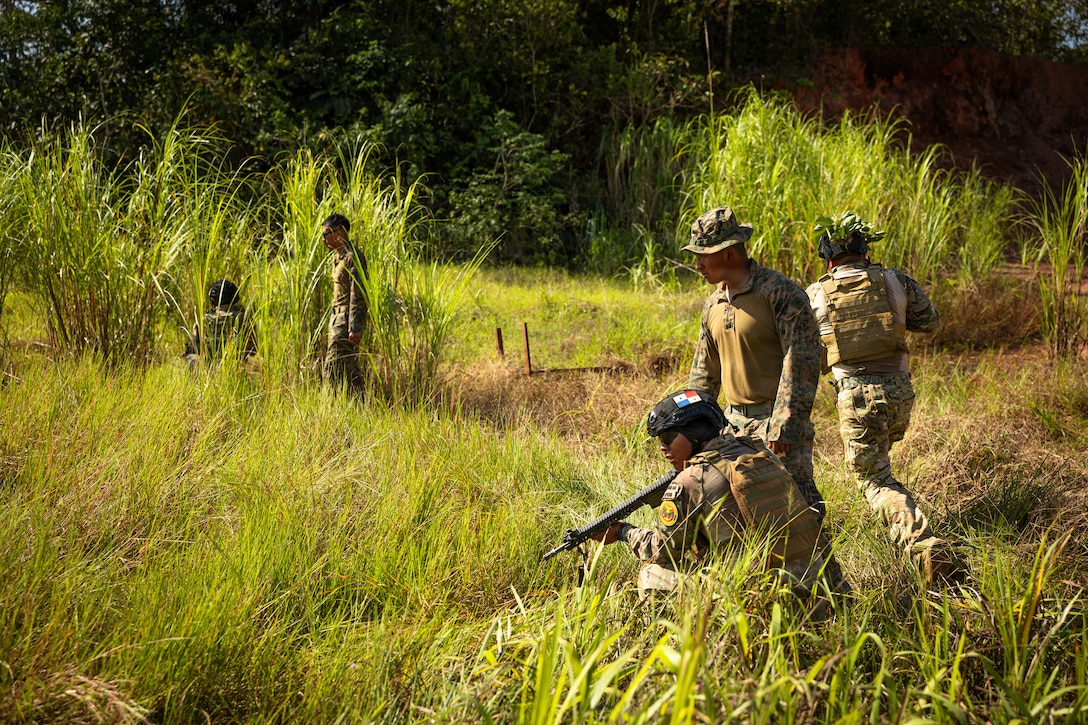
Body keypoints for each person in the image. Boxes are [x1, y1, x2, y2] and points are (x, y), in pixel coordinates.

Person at [806, 211, 960, 585]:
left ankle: (922, 545)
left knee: (873, 481)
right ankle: (908, 524)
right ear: (865, 251)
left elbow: (806, 350)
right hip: (900, 395)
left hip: (858, 398)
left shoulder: (815, 294)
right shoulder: (896, 280)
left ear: (829, 260)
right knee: (881, 469)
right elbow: (929, 321)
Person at [594, 389, 848, 601]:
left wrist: (622, 533)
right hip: (818, 586)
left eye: (669, 436)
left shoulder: (691, 480)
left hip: (759, 598)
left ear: (694, 434)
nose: (663, 446)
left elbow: (664, 550)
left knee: (652, 575)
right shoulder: (758, 452)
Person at [685, 206, 827, 520]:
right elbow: (703, 374)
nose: (697, 265)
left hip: (775, 426)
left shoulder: (779, 292)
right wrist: (692, 429)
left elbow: (801, 360)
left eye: (703, 255)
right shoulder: (713, 304)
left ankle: (825, 571)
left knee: (800, 513)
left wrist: (784, 426)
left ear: (729, 253)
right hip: (731, 428)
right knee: (743, 515)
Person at [321, 213, 368, 395]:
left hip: (346, 320)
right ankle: (361, 403)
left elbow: (358, 292)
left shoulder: (352, 257)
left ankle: (328, 405)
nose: (324, 239)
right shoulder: (337, 257)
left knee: (332, 366)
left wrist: (355, 327)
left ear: (339, 231)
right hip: (336, 318)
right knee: (348, 366)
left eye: (326, 234)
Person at [184, 279, 256, 368]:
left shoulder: (205, 319)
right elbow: (253, 350)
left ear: (214, 299)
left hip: (208, 369)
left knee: (190, 358)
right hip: (236, 367)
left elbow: (192, 348)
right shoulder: (244, 318)